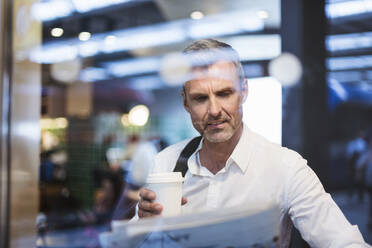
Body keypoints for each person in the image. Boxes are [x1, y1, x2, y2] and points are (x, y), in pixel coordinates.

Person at [135, 39, 368, 247]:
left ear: (244, 91)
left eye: (224, 93)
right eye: (200, 98)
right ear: (186, 103)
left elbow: (344, 242)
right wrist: (143, 229)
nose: (214, 111)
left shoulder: (285, 168)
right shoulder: (167, 163)